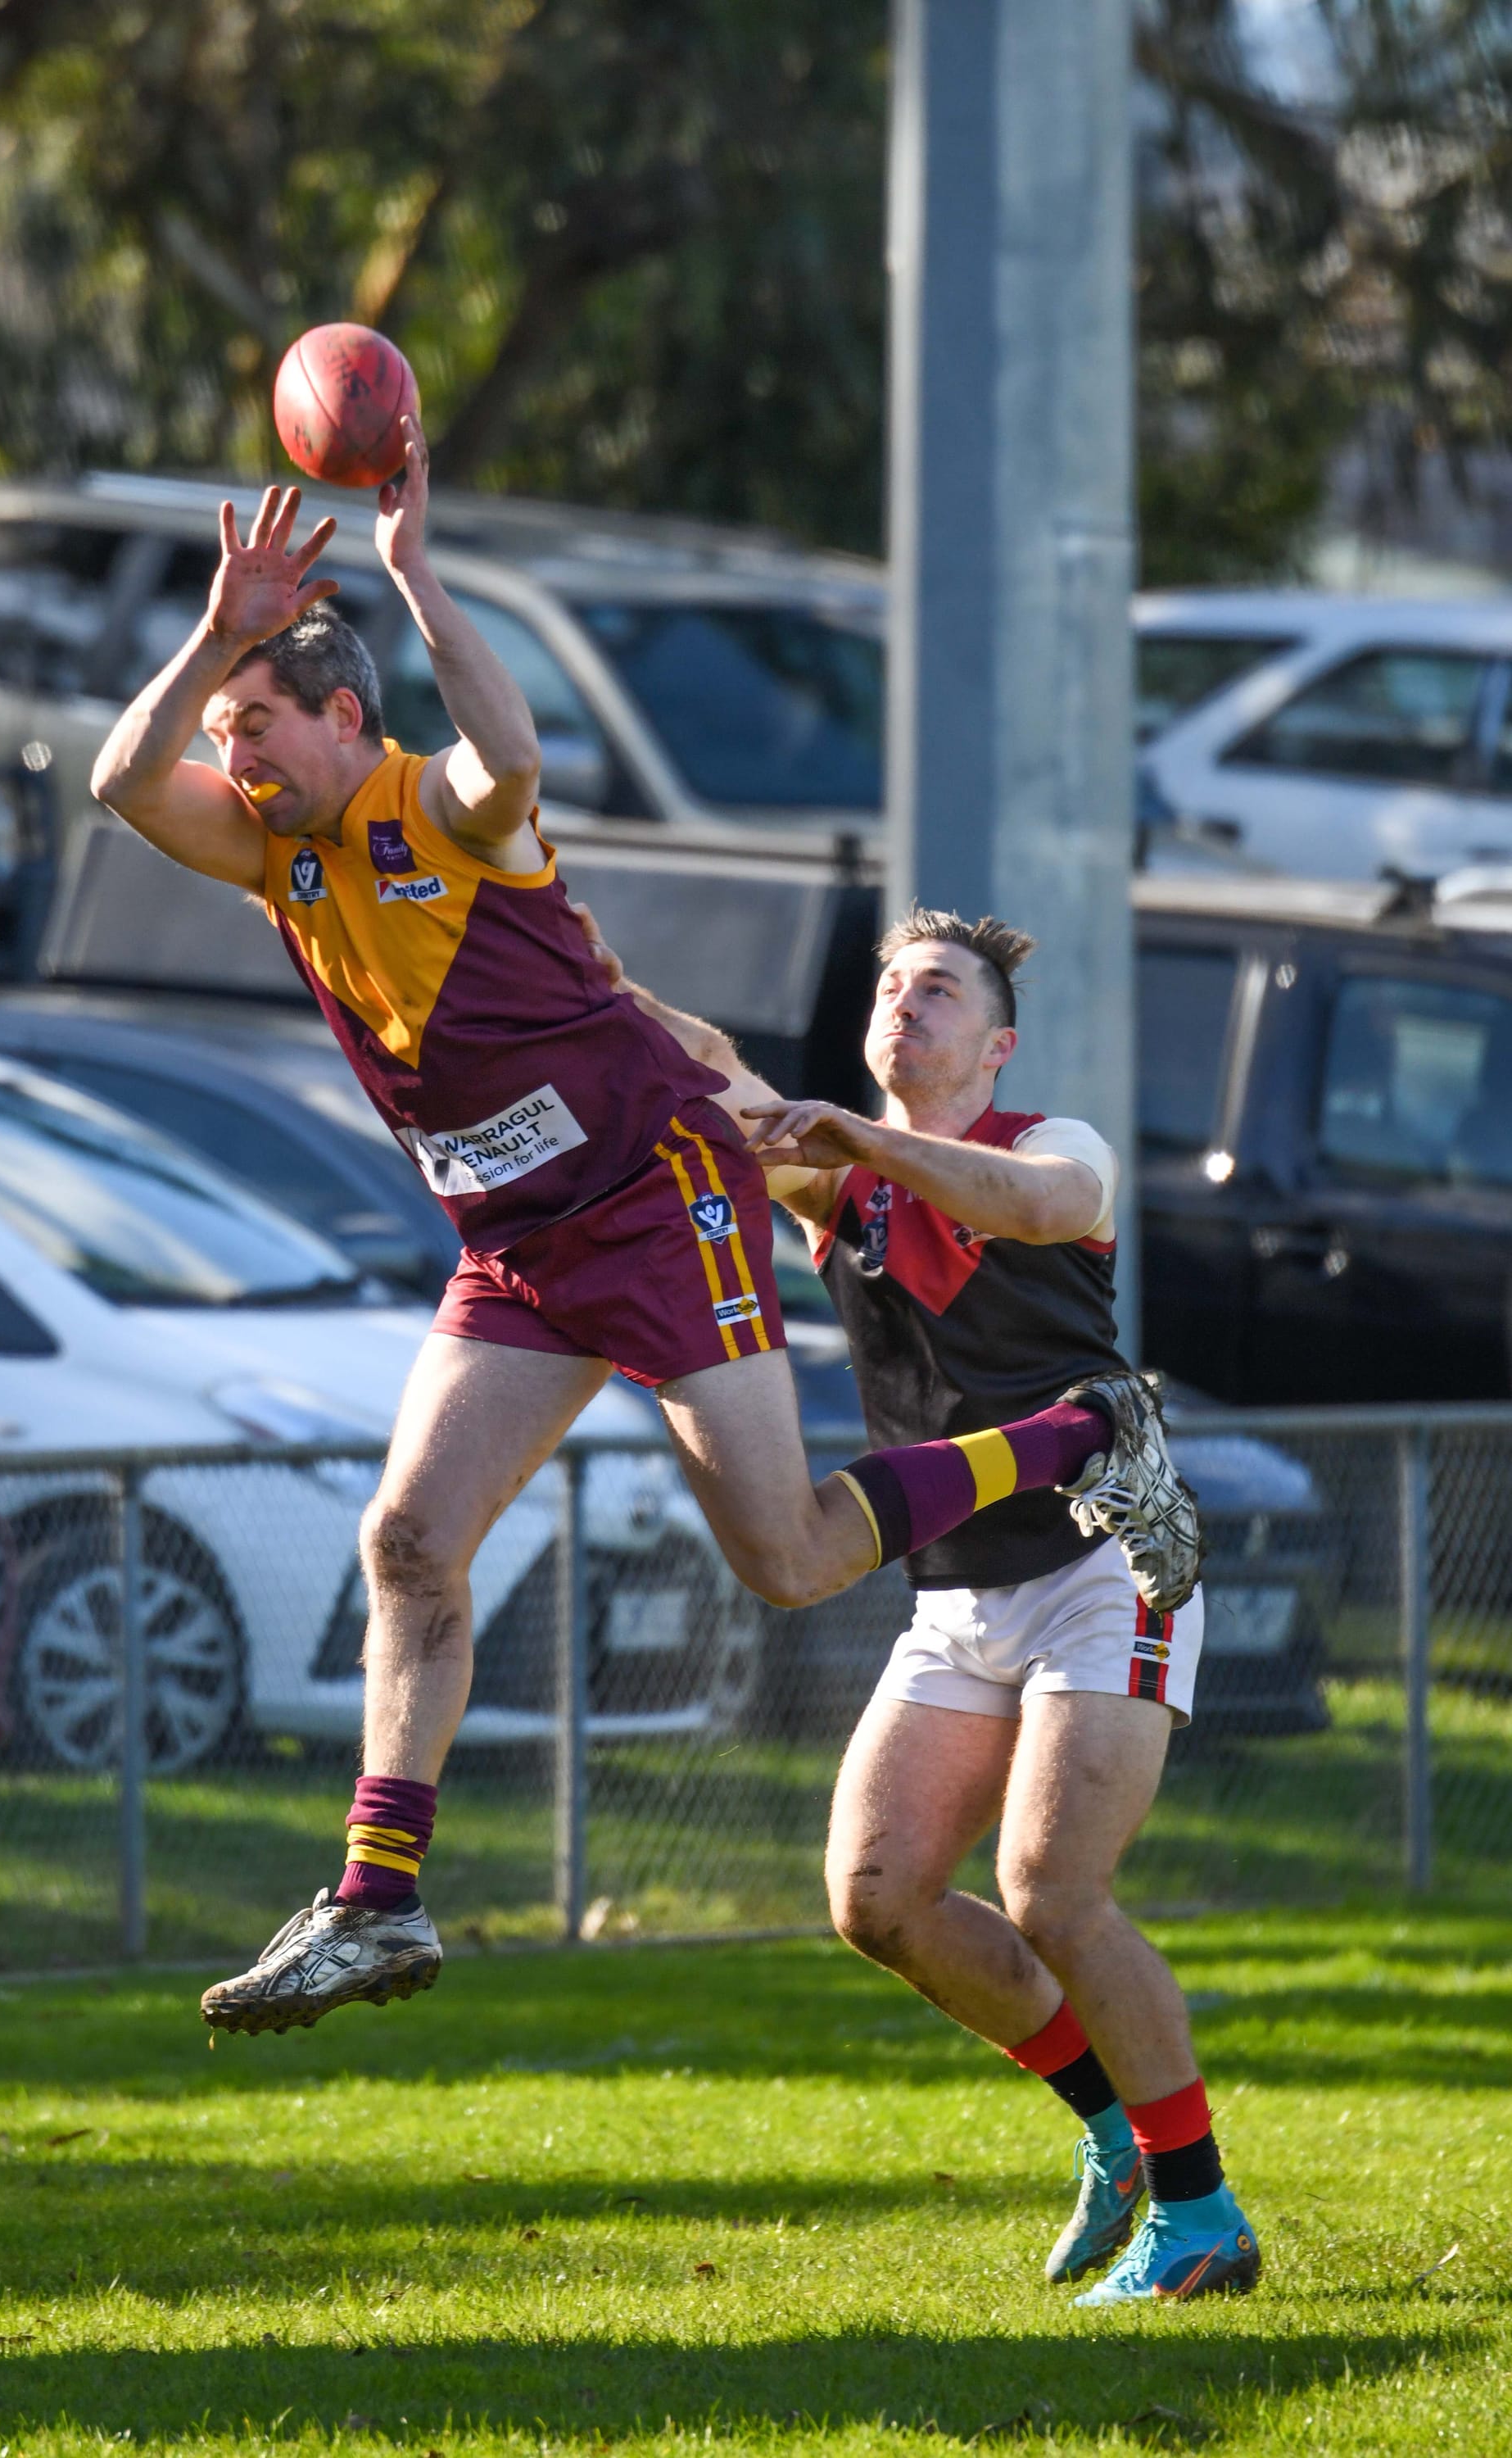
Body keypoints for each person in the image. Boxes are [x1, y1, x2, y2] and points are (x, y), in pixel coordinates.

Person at [88, 414, 1188, 2052]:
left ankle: (1073, 1434)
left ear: (345, 718)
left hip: (654, 1195)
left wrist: (418, 580)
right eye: (229, 724)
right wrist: (215, 634)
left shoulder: (437, 812)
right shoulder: (277, 854)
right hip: (516, 1240)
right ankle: (378, 1897)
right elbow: (119, 781)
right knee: (409, 1542)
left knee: (793, 1556)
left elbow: (511, 759)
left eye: (260, 718)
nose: (233, 750)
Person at [586, 905, 1254, 2306]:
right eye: (891, 985)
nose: (906, 1003)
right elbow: (713, 1064)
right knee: (877, 1898)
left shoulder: (1050, 1144)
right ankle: (1115, 2132)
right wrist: (555, 951)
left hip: (1099, 1557)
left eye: (939, 988)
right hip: (961, 1591)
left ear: (996, 1043)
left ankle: (1204, 2221)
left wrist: (854, 1143)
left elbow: (1039, 1213)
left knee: (1052, 1892)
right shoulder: (849, 1180)